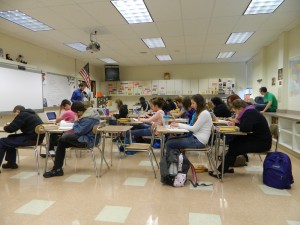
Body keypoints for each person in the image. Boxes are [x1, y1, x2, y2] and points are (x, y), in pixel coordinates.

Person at [210, 99, 272, 178]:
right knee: (233, 143)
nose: (233, 111)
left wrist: (236, 125)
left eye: (235, 109)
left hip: (262, 143)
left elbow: (246, 128)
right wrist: (236, 124)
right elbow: (246, 126)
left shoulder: (249, 113)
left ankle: (220, 171)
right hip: (258, 139)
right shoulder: (249, 111)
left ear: (240, 108)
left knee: (235, 148)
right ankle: (228, 167)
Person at [43, 102, 100, 178]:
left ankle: (57, 169)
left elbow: (78, 131)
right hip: (86, 138)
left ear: (79, 112)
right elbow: (80, 129)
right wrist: (77, 122)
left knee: (62, 138)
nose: (76, 115)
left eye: (76, 114)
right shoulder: (91, 113)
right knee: (62, 141)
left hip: (87, 141)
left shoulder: (88, 119)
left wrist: (76, 120)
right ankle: (57, 169)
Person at [165, 94, 213, 163]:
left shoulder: (204, 113)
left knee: (169, 143)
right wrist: (178, 125)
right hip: (195, 138)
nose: (192, 105)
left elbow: (194, 129)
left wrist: (178, 125)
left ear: (199, 103)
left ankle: (172, 165)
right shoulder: (200, 112)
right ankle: (176, 163)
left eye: (193, 103)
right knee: (170, 139)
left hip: (199, 141)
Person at [0, 105, 44, 169]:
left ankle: (11, 163)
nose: (14, 116)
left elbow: (11, 129)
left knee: (2, 141)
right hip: (37, 138)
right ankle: (11, 163)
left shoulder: (22, 115)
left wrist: (5, 127)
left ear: (17, 111)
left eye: (14, 114)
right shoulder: (32, 114)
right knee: (10, 138)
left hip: (31, 139)